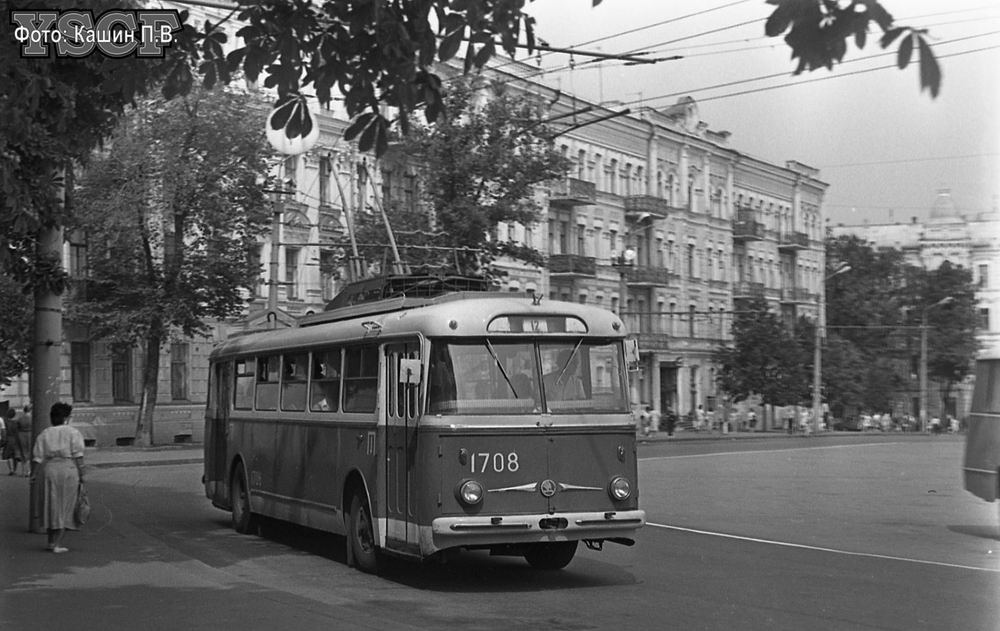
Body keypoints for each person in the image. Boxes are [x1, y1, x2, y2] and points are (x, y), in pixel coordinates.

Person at [31, 402, 86, 553]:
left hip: (49, 470)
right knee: (66, 505)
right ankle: (57, 543)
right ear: (67, 418)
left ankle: (50, 541)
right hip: (68, 469)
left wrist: (33, 474)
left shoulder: (44, 434)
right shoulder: (73, 433)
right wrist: (82, 474)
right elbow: (78, 456)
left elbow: (37, 457)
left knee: (51, 504)